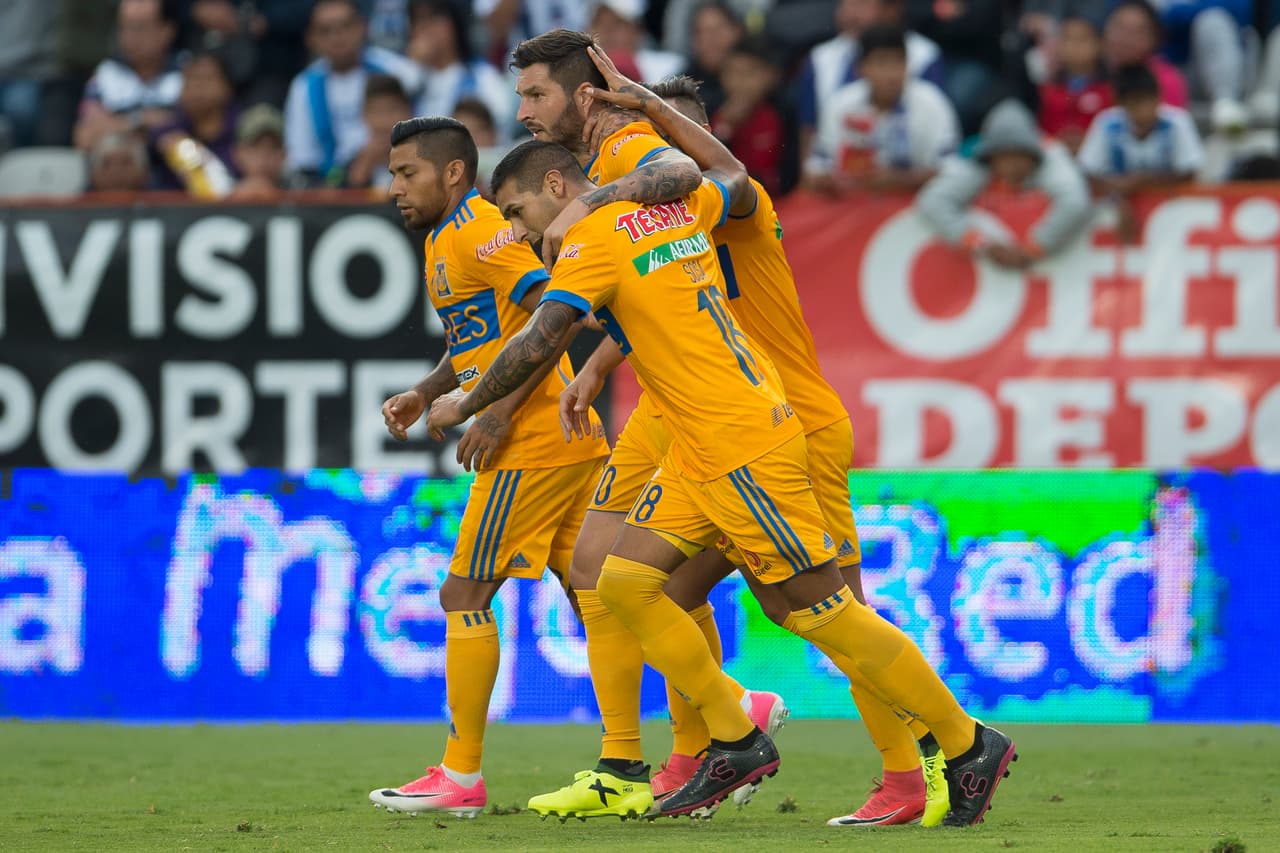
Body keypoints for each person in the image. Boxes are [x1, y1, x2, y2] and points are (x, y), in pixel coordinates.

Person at [429, 129, 1016, 823]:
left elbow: (539, 336)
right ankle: (735, 736)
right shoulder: (678, 207)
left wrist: (468, 401)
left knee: (822, 610)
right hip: (696, 445)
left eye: (521, 214)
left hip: (738, 440)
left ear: (558, 189)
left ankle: (966, 740)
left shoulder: (594, 240)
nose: (524, 235)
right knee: (624, 582)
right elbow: (726, 175)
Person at [566, 67, 954, 828]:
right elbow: (664, 300)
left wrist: (641, 121)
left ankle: (920, 765)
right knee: (651, 587)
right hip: (712, 430)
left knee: (831, 611)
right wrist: (600, 360)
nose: (653, 168)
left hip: (790, 425)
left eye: (667, 144)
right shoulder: (664, 229)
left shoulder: (726, 200)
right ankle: (710, 747)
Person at [367, 116, 611, 818]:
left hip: (530, 441)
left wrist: (498, 411)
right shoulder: (447, 239)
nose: (395, 189)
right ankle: (731, 711)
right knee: (607, 596)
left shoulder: (482, 230)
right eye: (392, 174)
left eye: (407, 173)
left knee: (463, 594)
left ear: (451, 173)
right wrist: (429, 389)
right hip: (565, 439)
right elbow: (484, 336)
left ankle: (460, 774)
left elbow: (553, 316)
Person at [916, 99, 1092, 269]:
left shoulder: (1051, 156)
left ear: (1032, 154)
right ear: (992, 156)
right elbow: (933, 200)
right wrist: (981, 244)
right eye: (1005, 156)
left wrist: (1034, 247)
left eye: (1019, 155)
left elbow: (1074, 202)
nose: (1013, 165)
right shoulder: (980, 163)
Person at [804, 24, 959, 194]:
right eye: (882, 62)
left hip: (915, 206)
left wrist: (900, 180)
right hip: (852, 204)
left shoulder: (931, 102)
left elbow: (951, 171)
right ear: (860, 68)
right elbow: (817, 165)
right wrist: (827, 180)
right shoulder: (840, 104)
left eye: (899, 61)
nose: (892, 73)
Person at [283, 0, 423, 184]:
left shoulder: (400, 72)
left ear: (362, 27)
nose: (337, 37)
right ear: (311, 38)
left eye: (345, 26)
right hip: (333, 189)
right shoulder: (303, 87)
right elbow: (303, 160)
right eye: (326, 31)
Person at [795, 0, 945, 165]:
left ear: (892, 9)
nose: (849, 14)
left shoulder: (925, 57)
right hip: (843, 180)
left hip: (914, 175)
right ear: (860, 68)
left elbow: (943, 163)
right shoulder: (819, 58)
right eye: (844, 4)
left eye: (860, 4)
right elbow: (808, 133)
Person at [1077, 63, 1203, 239]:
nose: (1144, 110)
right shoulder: (1107, 124)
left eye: (1149, 101)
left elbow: (1189, 172)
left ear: (1159, 98)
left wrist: (1138, 182)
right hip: (1117, 208)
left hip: (1172, 211)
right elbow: (1088, 172)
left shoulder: (1177, 122)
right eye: (1136, 103)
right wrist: (1118, 200)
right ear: (1121, 104)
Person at [74, 0, 183, 153]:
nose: (129, 37)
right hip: (119, 169)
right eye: (123, 27)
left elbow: (192, 133)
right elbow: (85, 138)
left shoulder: (189, 72)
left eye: (139, 28)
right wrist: (140, 121)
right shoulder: (106, 74)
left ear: (167, 31)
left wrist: (113, 124)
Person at [407, 0, 516, 143]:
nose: (424, 27)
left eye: (434, 17)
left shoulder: (483, 77)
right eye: (418, 19)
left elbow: (500, 133)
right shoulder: (410, 78)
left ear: (456, 23)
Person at [151, 49, 240, 194]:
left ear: (227, 86)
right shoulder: (167, 133)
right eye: (190, 79)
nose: (197, 86)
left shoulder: (244, 130)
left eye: (205, 78)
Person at [711, 36, 791, 196]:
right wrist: (725, 128)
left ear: (769, 75)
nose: (740, 82)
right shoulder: (711, 113)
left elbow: (789, 177)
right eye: (733, 73)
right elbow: (709, 171)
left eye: (749, 73)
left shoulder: (783, 113)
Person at [1037, 13, 1113, 153]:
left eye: (1082, 39)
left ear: (1100, 45)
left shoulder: (1110, 90)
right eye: (1067, 39)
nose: (1074, 46)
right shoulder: (1045, 90)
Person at [1103, 0, 1189, 108]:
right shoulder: (1087, 68)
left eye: (1136, 32)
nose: (1125, 38)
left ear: (1155, 38)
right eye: (1120, 27)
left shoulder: (1166, 82)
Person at [586, 0, 686, 84]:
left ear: (637, 30)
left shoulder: (672, 69)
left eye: (617, 23)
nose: (607, 31)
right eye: (599, 23)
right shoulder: (576, 71)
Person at [344, 74, 414, 189]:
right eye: (376, 112)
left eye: (392, 110)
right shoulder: (349, 164)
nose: (384, 122)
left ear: (408, 112)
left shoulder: (424, 162)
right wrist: (360, 172)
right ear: (364, 116)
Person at [230, 103, 288, 199]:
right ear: (237, 153)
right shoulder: (216, 190)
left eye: (273, 147)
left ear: (284, 154)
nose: (264, 156)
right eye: (254, 148)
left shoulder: (303, 192)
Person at [86, 130, 151, 192]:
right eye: (106, 164)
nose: (116, 172)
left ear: (143, 172)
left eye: (125, 163)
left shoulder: (157, 201)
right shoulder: (78, 202)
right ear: (93, 175)